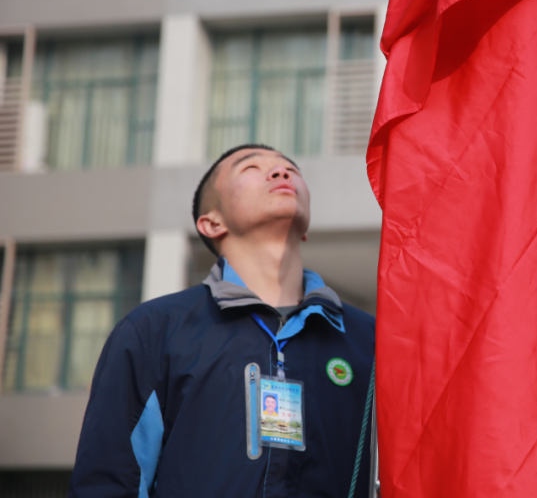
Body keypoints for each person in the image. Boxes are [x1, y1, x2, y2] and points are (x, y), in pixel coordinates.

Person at [69, 144, 376, 497]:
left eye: (291, 169)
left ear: (306, 225)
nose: (281, 173)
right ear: (212, 223)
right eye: (250, 168)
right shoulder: (153, 331)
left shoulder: (370, 340)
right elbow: (110, 482)